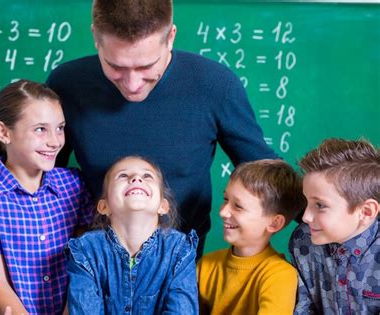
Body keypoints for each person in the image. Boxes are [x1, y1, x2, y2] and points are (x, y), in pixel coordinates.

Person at [46, 0, 277, 258]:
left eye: (146, 66)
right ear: (96, 39)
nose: (132, 84)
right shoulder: (66, 84)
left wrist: (323, 215)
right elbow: (39, 177)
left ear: (170, 38)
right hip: (92, 260)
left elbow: (269, 174)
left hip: (184, 263)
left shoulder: (215, 85)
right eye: (116, 67)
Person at [0, 80, 94, 315]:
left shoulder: (74, 185)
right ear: (4, 132)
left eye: (60, 128)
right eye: (41, 129)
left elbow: (84, 267)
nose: (55, 141)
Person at [65, 156, 198, 314]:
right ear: (103, 206)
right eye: (123, 175)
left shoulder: (180, 250)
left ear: (163, 206)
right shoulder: (85, 251)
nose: (136, 178)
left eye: (147, 176)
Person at [197, 159, 305, 314]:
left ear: (274, 223)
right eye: (226, 199)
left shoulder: (280, 276)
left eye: (238, 206)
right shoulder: (206, 265)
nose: (223, 212)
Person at [289, 138, 380, 314]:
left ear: (366, 212)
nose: (306, 216)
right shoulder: (302, 241)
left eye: (320, 205)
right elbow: (303, 308)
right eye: (306, 201)